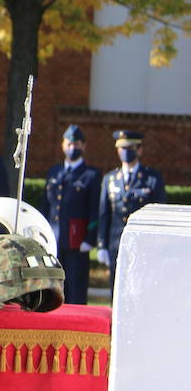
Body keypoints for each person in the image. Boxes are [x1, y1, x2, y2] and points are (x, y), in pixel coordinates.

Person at [97, 129, 166, 283]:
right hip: (117, 243)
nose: (125, 152)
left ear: (139, 150)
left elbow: (158, 214)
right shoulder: (110, 179)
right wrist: (102, 245)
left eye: (130, 148)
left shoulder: (152, 178)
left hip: (143, 244)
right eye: (122, 148)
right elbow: (104, 214)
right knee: (116, 287)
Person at [43, 124, 101, 305]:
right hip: (54, 240)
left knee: (75, 290)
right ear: (62, 145)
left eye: (76, 144)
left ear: (83, 146)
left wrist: (90, 239)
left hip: (77, 243)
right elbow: (46, 206)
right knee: (52, 289)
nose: (72, 148)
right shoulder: (54, 172)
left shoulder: (91, 175)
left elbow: (95, 209)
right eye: (68, 144)